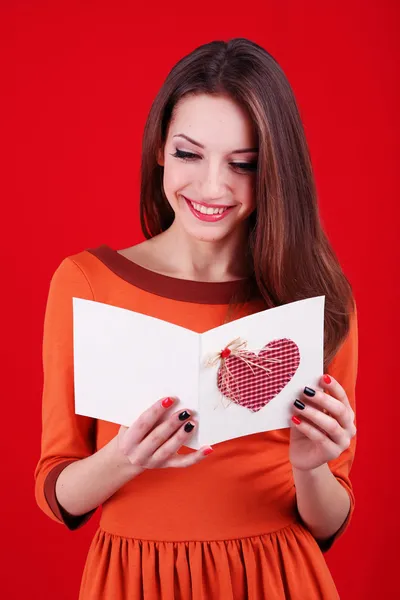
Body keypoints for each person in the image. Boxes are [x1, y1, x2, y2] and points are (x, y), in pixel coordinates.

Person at [34, 37, 358, 600]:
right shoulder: (87, 282)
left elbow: (329, 521)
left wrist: (310, 467)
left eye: (244, 165)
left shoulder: (317, 298)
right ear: (160, 148)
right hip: (135, 579)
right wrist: (124, 459)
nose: (212, 187)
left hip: (278, 577)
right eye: (189, 154)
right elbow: (56, 489)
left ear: (276, 171)